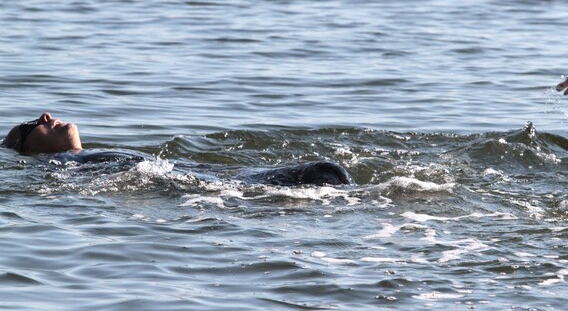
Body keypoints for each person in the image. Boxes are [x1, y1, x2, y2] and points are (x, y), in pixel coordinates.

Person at [3, 112, 353, 186]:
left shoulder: (80, 158)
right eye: (34, 124)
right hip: (196, 183)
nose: (46, 116)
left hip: (211, 176)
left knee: (326, 172)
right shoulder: (58, 166)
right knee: (323, 174)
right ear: (29, 148)